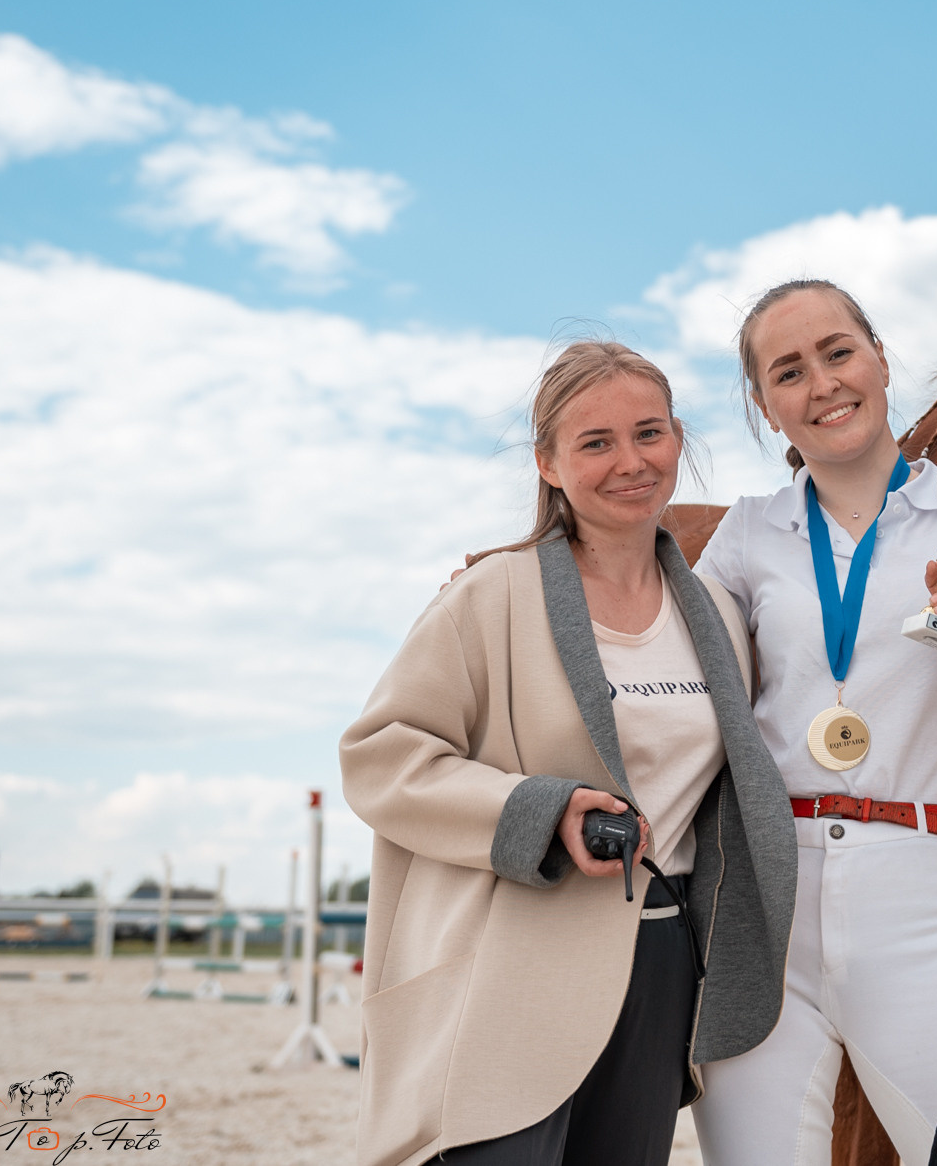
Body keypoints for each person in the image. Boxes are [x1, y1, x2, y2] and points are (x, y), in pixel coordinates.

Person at [340, 341, 797, 1166]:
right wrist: (540, 813)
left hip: (657, 966)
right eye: (596, 443)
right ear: (548, 464)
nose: (631, 462)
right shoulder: (491, 596)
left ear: (679, 439)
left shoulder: (720, 616)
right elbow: (380, 756)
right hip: (509, 960)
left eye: (649, 433)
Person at [689, 279, 937, 1164]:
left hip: (921, 889)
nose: (821, 383)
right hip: (766, 900)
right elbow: (677, 688)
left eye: (837, 352)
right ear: (764, 405)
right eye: (788, 372)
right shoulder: (746, 535)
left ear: (880, 358)